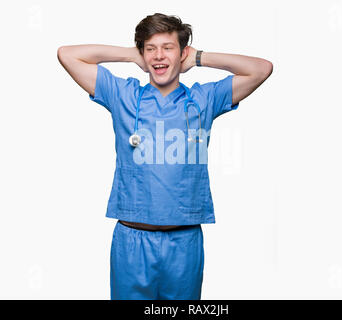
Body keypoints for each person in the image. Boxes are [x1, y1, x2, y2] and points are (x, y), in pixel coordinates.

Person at [57, 12, 273, 300]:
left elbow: (261, 68)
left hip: (184, 243)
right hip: (131, 243)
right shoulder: (123, 95)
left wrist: (199, 58)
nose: (159, 56)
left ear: (182, 53)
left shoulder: (203, 100)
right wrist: (132, 55)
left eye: (168, 48)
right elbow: (67, 54)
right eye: (151, 48)